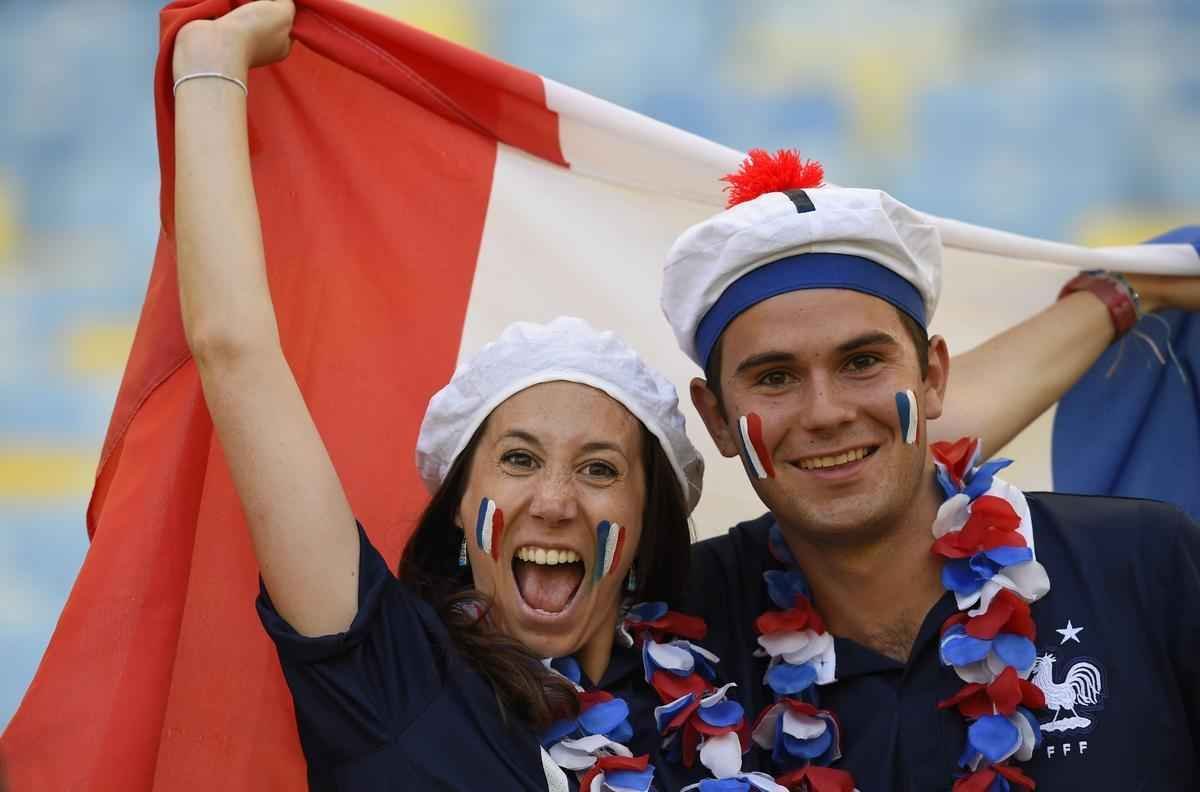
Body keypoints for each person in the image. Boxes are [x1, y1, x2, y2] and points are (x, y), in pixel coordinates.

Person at [172, 3, 1198, 790]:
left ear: (642, 517)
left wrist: (1120, 293)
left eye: (602, 468)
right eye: (518, 458)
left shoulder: (695, 664)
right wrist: (210, 66)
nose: (558, 501)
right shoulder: (399, 682)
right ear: (459, 509)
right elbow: (237, 356)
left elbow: (860, 451)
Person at [664, 151, 1200, 790]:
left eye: (862, 362)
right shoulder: (679, 626)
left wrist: (1124, 293)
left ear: (934, 377)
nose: (826, 413)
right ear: (718, 419)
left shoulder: (1140, 561)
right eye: (774, 378)